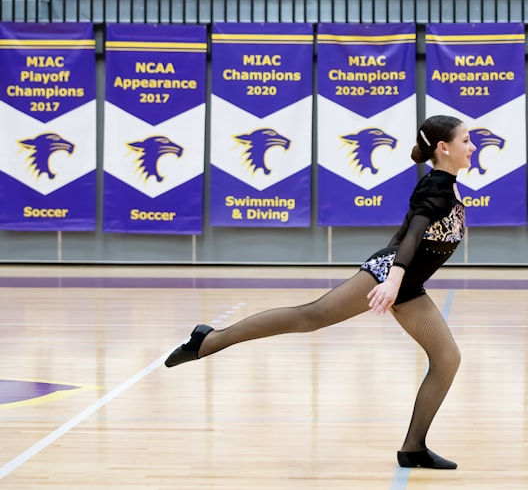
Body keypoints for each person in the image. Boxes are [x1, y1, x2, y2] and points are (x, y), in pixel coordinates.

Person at [165, 115, 474, 470]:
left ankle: (413, 447)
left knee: (447, 358)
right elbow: (414, 234)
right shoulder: (436, 186)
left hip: (406, 284)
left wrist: (399, 280)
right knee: (311, 316)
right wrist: (390, 277)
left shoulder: (445, 185)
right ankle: (209, 340)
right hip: (390, 276)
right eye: (466, 140)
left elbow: (402, 234)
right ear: (443, 147)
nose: (472, 147)